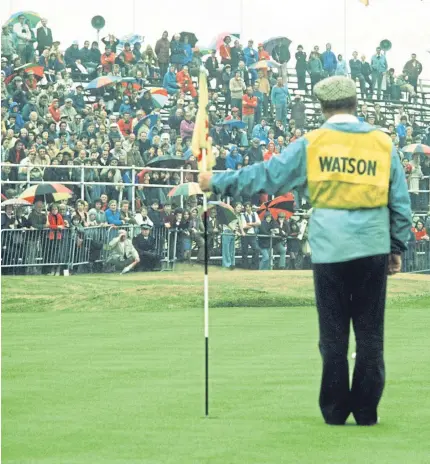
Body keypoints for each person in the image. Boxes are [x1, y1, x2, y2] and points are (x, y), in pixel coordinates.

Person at [199, 75, 412, 426]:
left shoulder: (312, 143)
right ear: (356, 103)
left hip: (330, 248)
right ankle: (366, 412)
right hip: (373, 247)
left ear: (322, 107)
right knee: (370, 333)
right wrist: (396, 245)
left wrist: (217, 181)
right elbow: (400, 204)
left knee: (333, 335)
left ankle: (334, 411)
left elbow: (268, 176)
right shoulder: (382, 143)